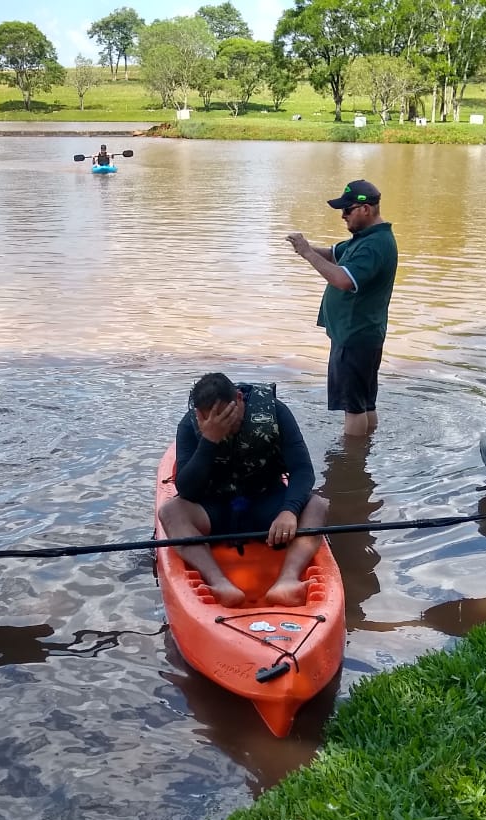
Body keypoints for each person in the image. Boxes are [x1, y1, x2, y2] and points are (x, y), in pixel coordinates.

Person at [158, 372, 328, 607]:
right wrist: (209, 440)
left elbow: (303, 470)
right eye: (212, 420)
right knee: (170, 511)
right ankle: (219, 583)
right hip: (216, 508)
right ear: (199, 415)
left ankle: (287, 581)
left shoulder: (276, 412)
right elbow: (187, 490)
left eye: (228, 417)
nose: (224, 427)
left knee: (317, 505)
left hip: (266, 503)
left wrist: (289, 510)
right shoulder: (189, 425)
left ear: (238, 398)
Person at [286, 179, 398, 437]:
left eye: (347, 209)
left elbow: (344, 280)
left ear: (366, 209)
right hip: (361, 335)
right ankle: (367, 450)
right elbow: (334, 254)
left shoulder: (374, 245)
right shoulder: (367, 238)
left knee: (354, 408)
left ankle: (351, 457)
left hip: (354, 336)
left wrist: (307, 253)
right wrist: (304, 248)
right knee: (365, 402)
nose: (343, 215)